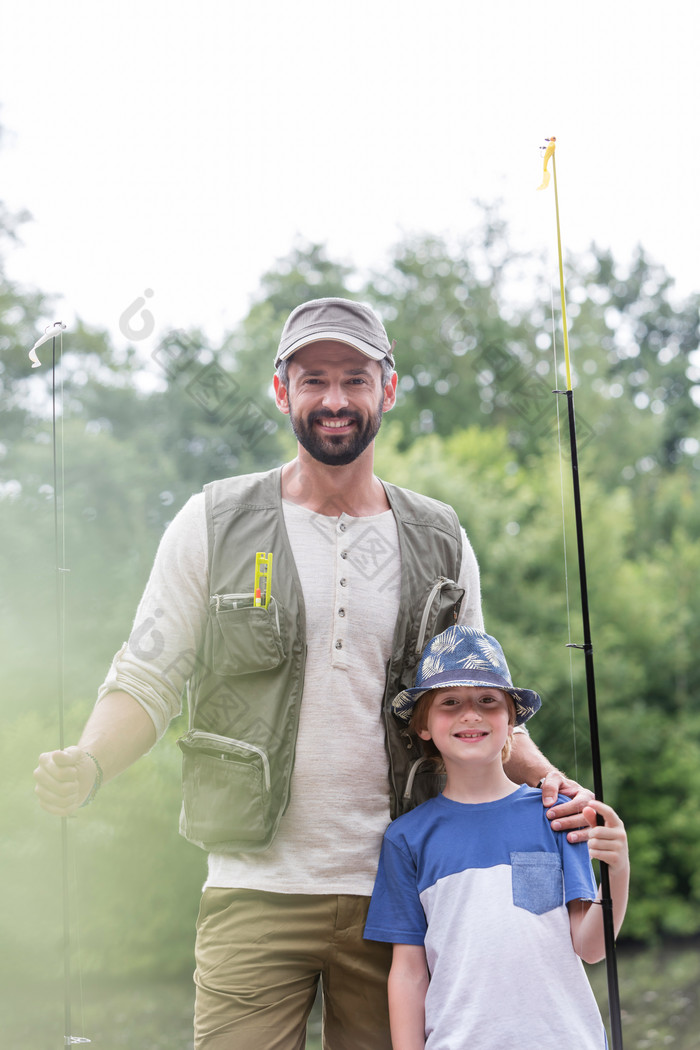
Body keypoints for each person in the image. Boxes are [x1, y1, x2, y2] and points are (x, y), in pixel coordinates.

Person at [35, 298, 595, 1050]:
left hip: (400, 893)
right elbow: (146, 676)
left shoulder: (441, 536)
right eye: (314, 379)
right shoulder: (211, 522)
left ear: (387, 390)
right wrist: (91, 761)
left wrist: (554, 785)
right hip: (251, 889)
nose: (335, 399)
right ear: (281, 391)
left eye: (355, 379)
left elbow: (475, 709)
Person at [364, 624, 630, 1050]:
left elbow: (591, 947)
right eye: (450, 703)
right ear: (424, 726)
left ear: (512, 723)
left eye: (488, 701)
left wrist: (618, 869)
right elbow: (409, 973)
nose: (471, 714)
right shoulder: (406, 838)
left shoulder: (557, 815)